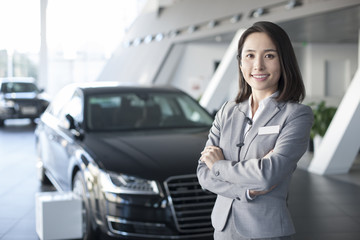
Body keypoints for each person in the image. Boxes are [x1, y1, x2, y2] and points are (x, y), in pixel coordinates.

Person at [197, 21, 314, 240]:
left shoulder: (296, 115)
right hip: (223, 229)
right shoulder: (227, 110)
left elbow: (267, 174)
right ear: (240, 63)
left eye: (269, 55)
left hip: (265, 231)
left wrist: (219, 166)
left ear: (284, 61)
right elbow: (203, 173)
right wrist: (247, 190)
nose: (258, 65)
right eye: (249, 56)